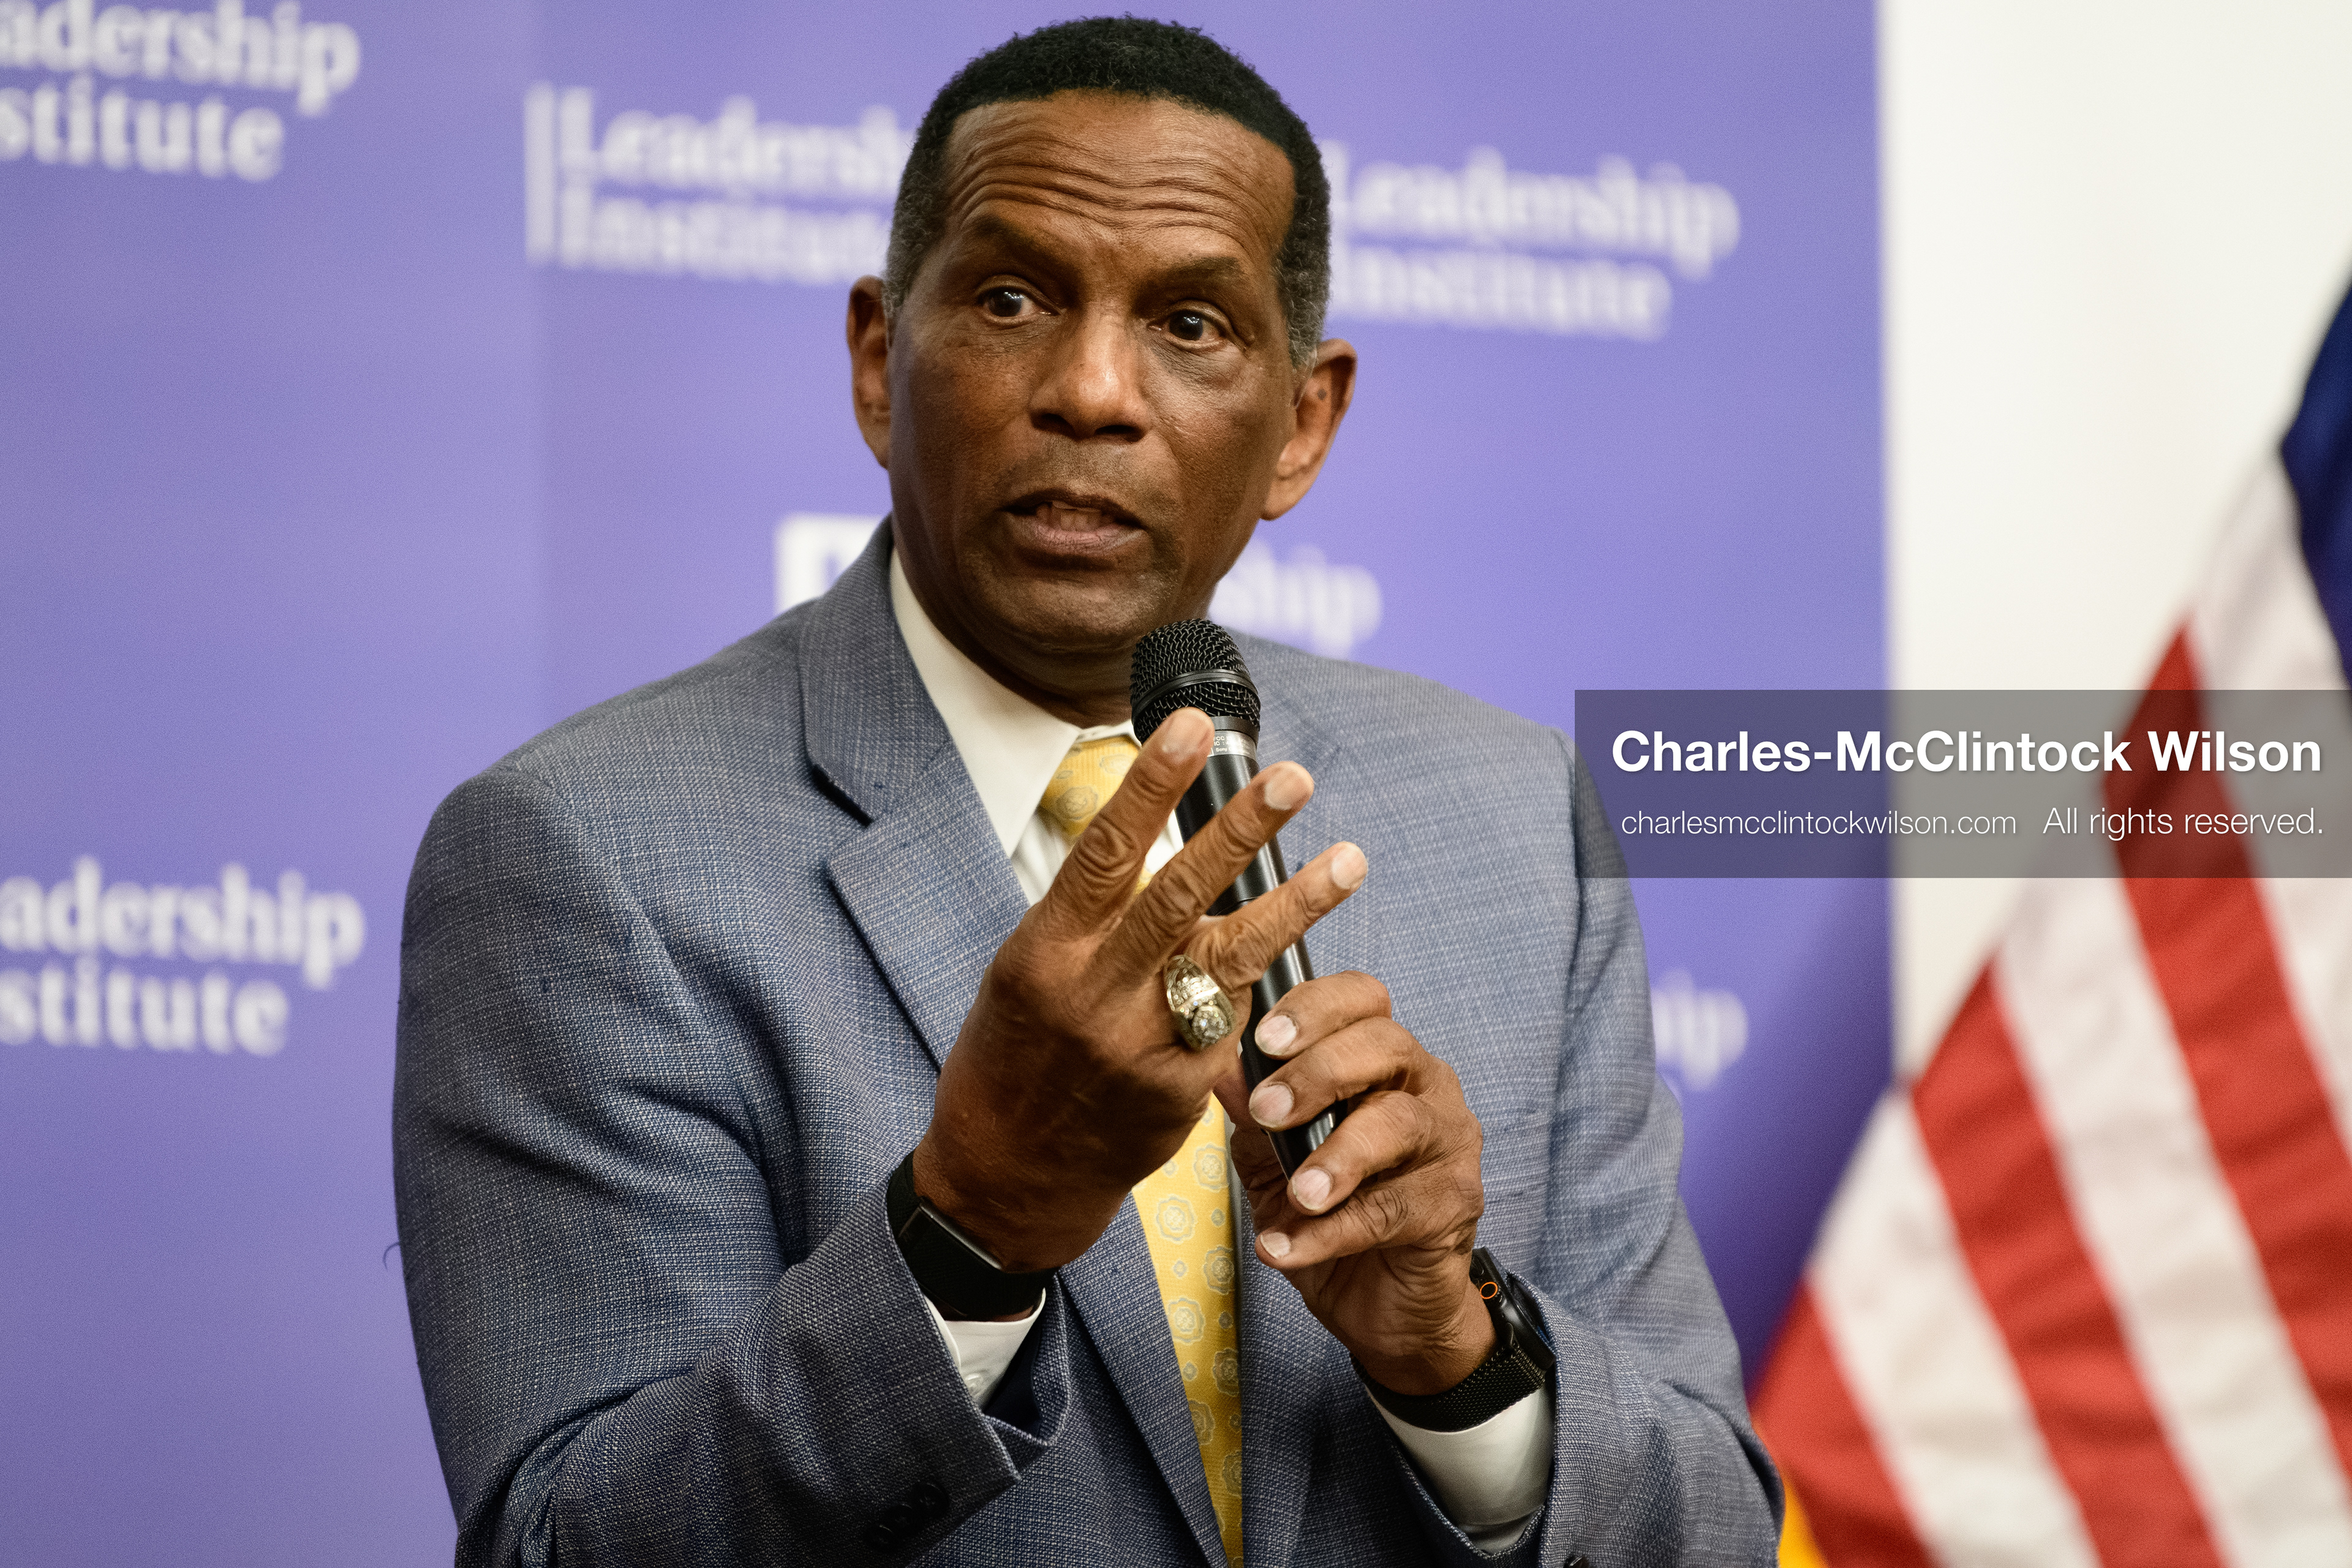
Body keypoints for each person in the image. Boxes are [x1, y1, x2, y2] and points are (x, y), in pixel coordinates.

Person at [393, 17, 1779, 1567]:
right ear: (875, 357)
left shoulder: (1517, 822)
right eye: (1009, 297)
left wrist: (1454, 1350)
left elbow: (1716, 1528)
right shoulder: (587, 855)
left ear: (1302, 423)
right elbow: (567, 1547)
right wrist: (974, 1223)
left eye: (1191, 324)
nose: (1095, 389)